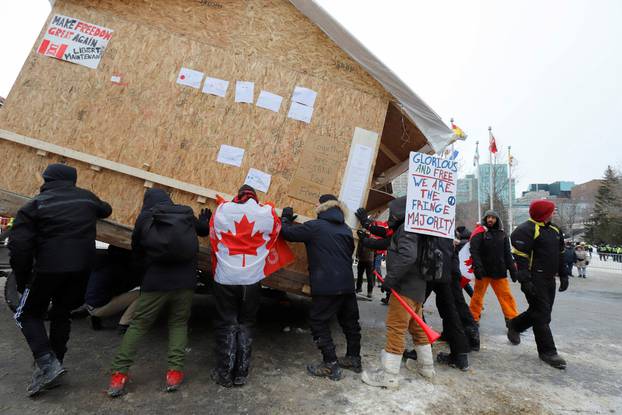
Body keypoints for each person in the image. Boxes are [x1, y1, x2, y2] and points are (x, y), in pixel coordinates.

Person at [9, 163, 112, 396]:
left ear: (46, 179)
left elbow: (20, 246)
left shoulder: (34, 205)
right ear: (73, 181)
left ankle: (47, 363)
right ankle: (54, 362)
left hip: (47, 268)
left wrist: (24, 277)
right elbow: (106, 209)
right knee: (61, 312)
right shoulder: (87, 199)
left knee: (26, 314)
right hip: (82, 268)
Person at [108, 188, 210, 397]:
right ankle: (174, 373)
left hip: (155, 281)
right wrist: (205, 219)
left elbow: (136, 253)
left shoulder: (145, 219)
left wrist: (147, 268)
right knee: (178, 324)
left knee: (138, 325)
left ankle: (119, 375)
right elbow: (204, 230)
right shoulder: (186, 214)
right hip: (186, 282)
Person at [281, 194, 361, 381]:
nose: (315, 205)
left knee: (318, 322)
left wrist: (285, 218)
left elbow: (288, 234)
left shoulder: (314, 227)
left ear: (323, 207)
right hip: (347, 284)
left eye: (318, 203)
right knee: (350, 322)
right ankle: (354, 358)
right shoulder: (346, 229)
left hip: (327, 284)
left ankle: (330, 364)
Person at [209, 185, 281, 387]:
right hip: (251, 279)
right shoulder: (265, 212)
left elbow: (213, 228)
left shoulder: (223, 210)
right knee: (246, 323)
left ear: (238, 195)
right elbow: (276, 227)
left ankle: (224, 373)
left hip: (225, 278)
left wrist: (223, 203)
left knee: (226, 324)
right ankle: (241, 373)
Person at [361, 197, 435, 389]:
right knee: (417, 328)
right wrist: (367, 240)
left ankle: (389, 376)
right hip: (417, 288)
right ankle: (426, 367)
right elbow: (388, 243)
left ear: (400, 213)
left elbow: (407, 256)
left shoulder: (406, 229)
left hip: (404, 288)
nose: (391, 216)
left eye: (393, 212)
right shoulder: (415, 228)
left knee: (396, 328)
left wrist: (390, 280)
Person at [509, 199, 569, 369]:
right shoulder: (525, 230)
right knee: (542, 315)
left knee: (540, 313)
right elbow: (521, 259)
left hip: (549, 279)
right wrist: (525, 280)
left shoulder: (555, 230)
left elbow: (561, 254)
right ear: (544, 214)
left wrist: (564, 275)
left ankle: (515, 325)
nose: (554, 213)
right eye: (551, 211)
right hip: (534, 279)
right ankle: (548, 352)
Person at [468, 211, 521, 345]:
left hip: (499, 271)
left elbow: (507, 253)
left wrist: (512, 269)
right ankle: (473, 319)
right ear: (485, 219)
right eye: (488, 217)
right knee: (477, 296)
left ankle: (512, 322)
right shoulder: (479, 233)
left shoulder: (502, 234)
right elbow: (474, 252)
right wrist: (478, 267)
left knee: (506, 296)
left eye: (493, 218)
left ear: (497, 220)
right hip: (483, 272)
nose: (491, 220)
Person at [85, 246, 141, 333]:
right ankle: (124, 323)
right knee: (144, 293)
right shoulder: (119, 268)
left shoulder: (104, 261)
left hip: (90, 304)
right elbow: (136, 282)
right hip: (97, 307)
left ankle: (96, 316)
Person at [355, 230, 375, 298]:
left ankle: (367, 291)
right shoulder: (364, 238)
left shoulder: (368, 239)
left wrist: (358, 255)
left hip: (367, 260)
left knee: (366, 276)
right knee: (363, 275)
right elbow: (359, 248)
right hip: (366, 259)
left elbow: (359, 248)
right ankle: (362, 289)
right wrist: (357, 255)